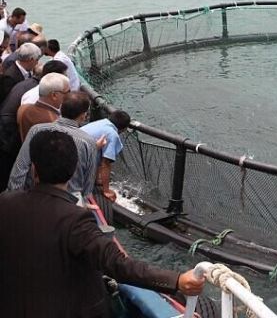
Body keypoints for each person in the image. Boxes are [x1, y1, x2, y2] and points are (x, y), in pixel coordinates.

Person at [0, 130, 205, 317]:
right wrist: (177, 280)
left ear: (34, 169)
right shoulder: (75, 219)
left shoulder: (6, 202)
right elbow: (117, 264)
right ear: (73, 171)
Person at [8, 92, 100, 198]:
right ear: (84, 115)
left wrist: (14, 196)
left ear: (61, 108)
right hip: (70, 203)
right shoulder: (88, 142)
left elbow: (21, 167)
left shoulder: (36, 130)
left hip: (35, 196)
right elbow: (88, 186)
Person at [0, 61, 66, 192]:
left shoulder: (27, 103)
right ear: (54, 94)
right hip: (32, 167)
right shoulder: (49, 120)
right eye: (66, 91)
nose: (68, 94)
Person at [82, 110, 130, 202]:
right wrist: (106, 190)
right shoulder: (112, 134)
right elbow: (106, 164)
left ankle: (94, 180)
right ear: (124, 129)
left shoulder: (102, 122)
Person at [16, 73, 69, 141]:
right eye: (67, 92)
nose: (69, 95)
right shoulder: (53, 123)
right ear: (54, 95)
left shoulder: (23, 108)